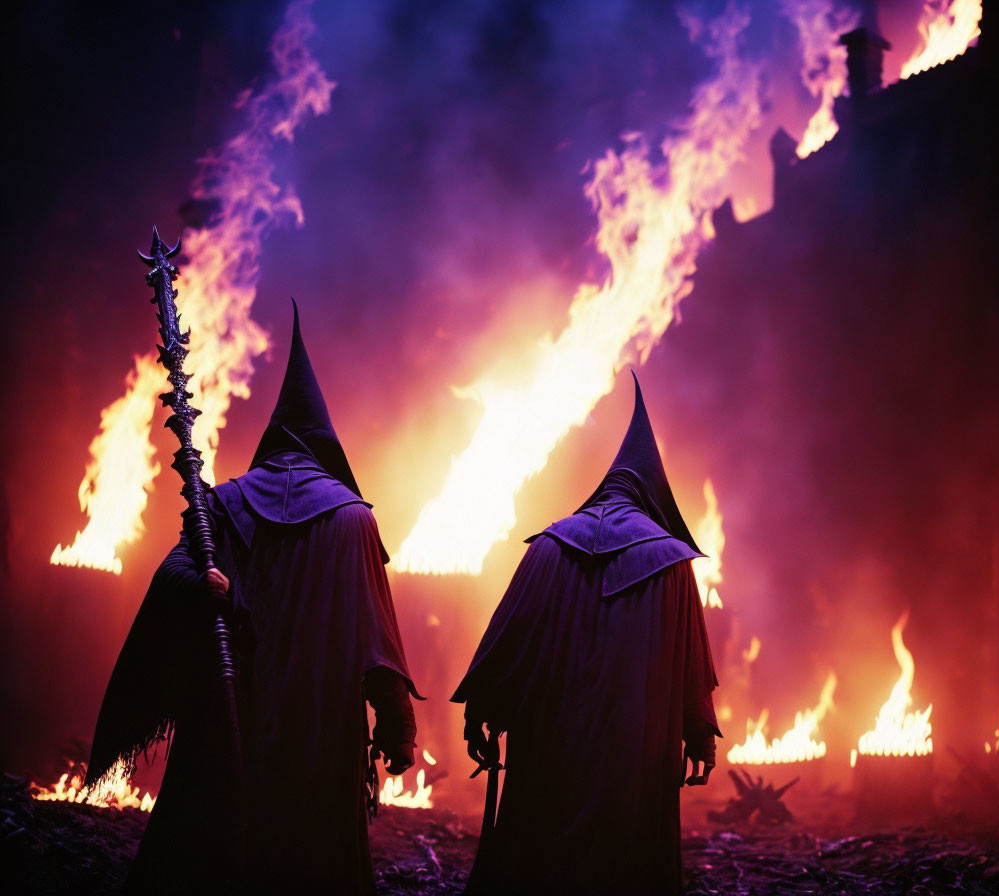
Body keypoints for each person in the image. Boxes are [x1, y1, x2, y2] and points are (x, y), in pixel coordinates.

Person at [86, 301, 420, 895]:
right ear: (327, 448)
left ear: (270, 441)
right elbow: (379, 650)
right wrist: (398, 731)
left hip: (228, 720)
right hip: (315, 739)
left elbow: (169, 576)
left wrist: (198, 584)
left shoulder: (224, 506)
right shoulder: (353, 521)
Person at [452, 372, 721, 896]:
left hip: (551, 745)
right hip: (634, 751)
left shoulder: (548, 546)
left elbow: (506, 643)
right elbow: (693, 669)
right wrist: (700, 735)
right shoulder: (671, 561)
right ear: (653, 499)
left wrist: (479, 713)